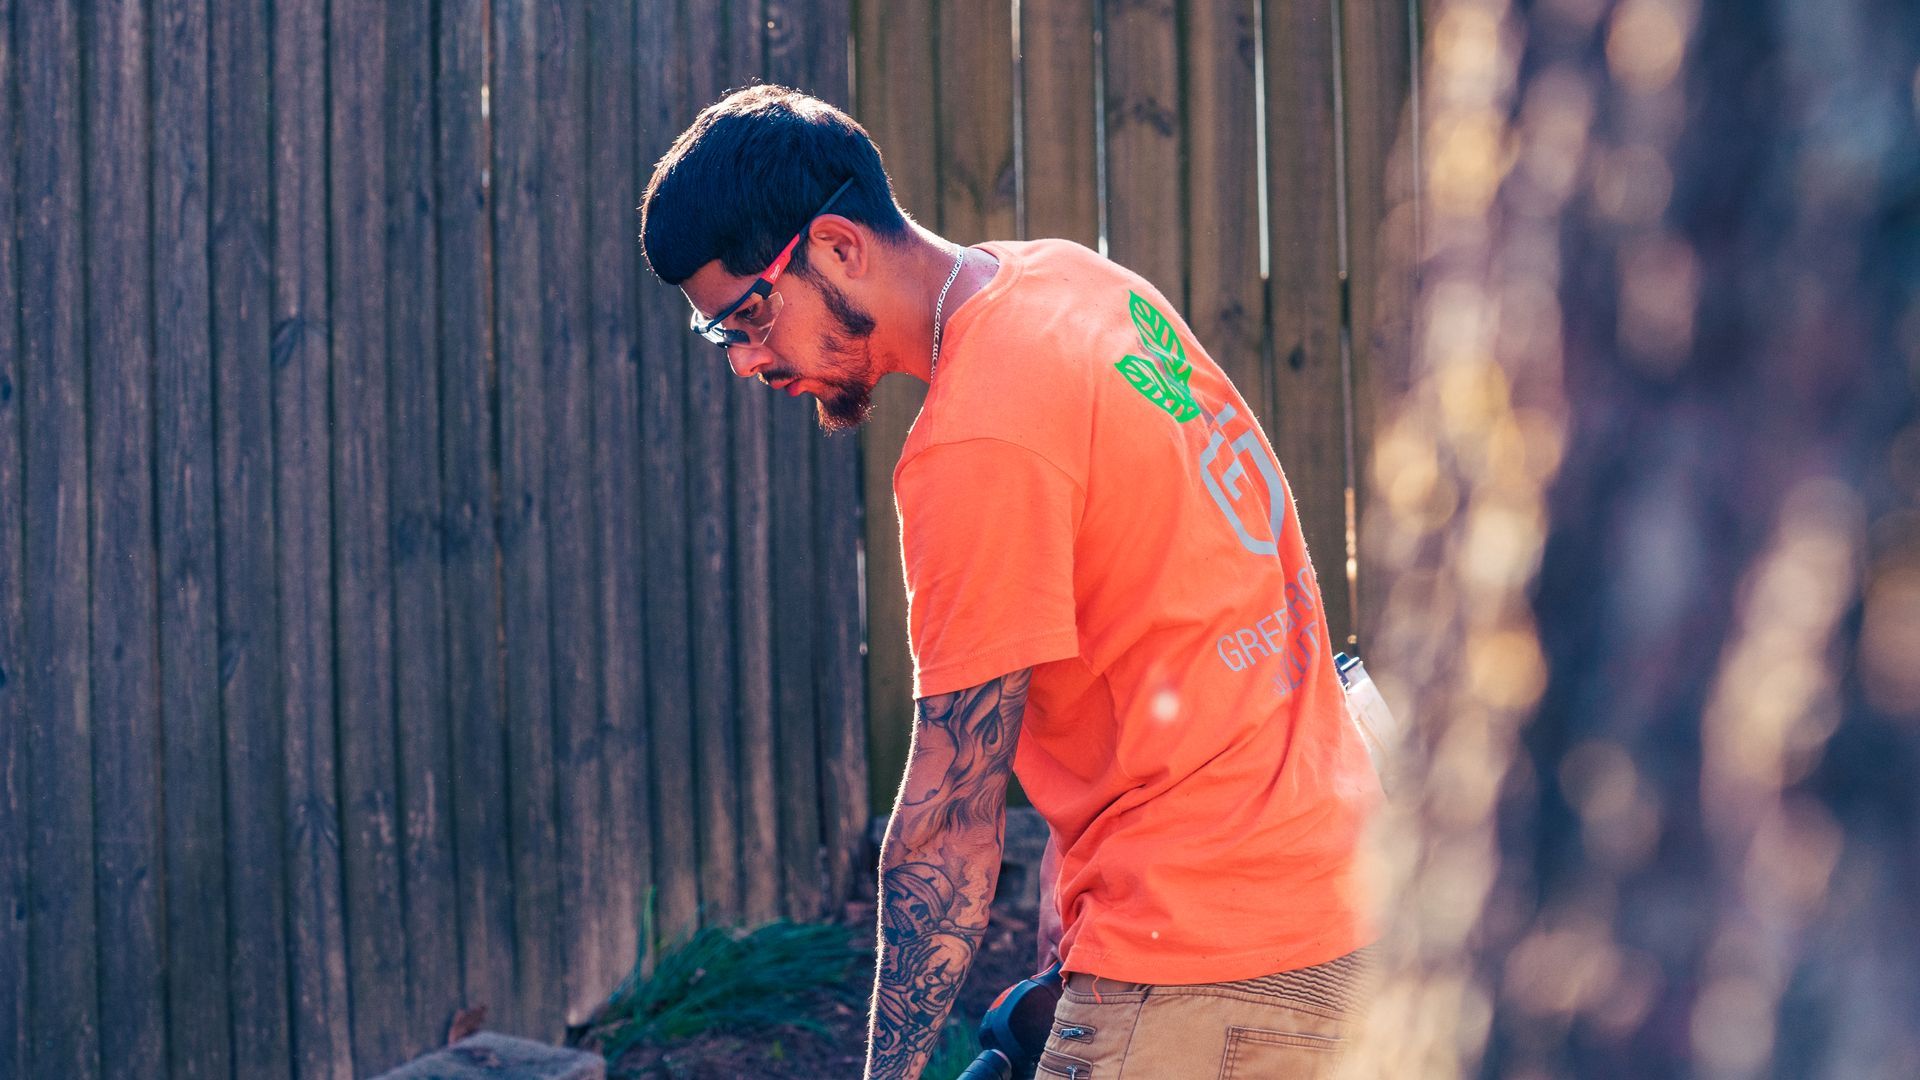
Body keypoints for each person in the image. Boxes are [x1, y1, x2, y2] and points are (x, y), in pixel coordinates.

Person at [640, 84, 1381, 1080]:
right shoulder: (1074, 283)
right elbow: (1167, 609)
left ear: (838, 246)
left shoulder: (975, 440)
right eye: (721, 335)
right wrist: (1069, 913)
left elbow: (946, 829)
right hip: (1346, 898)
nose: (743, 361)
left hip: (1204, 968)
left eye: (748, 315)